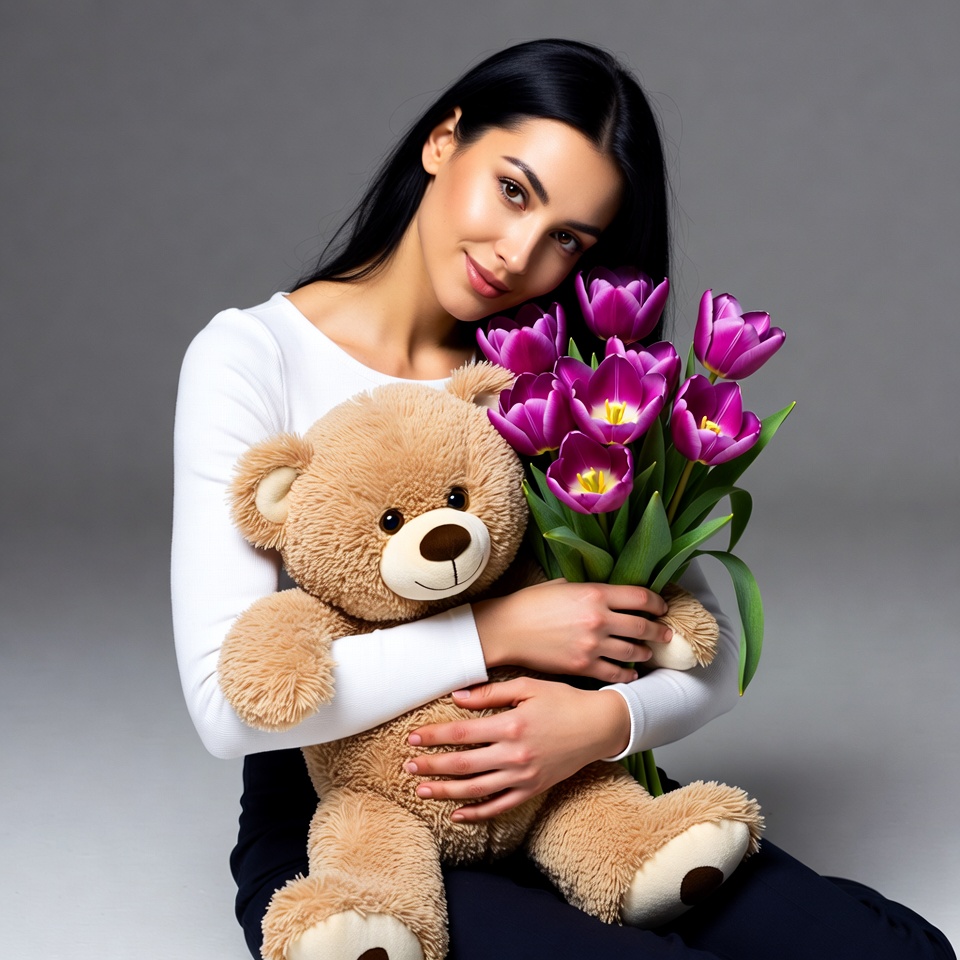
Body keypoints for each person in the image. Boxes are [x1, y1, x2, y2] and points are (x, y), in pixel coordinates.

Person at [171, 38, 954, 960]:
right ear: (443, 140)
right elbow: (229, 708)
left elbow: (712, 642)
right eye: (512, 189)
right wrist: (498, 633)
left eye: (568, 239)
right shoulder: (250, 356)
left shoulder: (546, 372)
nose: (518, 255)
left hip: (571, 797)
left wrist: (599, 724)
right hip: (359, 834)